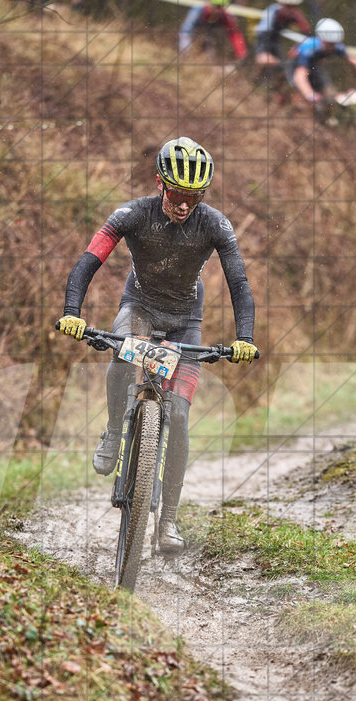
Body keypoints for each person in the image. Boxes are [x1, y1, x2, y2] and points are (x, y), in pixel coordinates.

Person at [57, 138, 257, 554]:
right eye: (177, 195)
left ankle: (167, 521)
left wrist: (245, 338)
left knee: (180, 419)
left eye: (194, 197)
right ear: (159, 184)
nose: (184, 206)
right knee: (121, 346)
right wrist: (72, 311)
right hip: (140, 306)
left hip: (186, 320)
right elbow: (87, 261)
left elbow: (238, 282)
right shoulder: (131, 215)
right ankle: (114, 431)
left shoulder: (215, 225)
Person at [286, 18, 356, 107]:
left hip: (315, 67)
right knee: (301, 97)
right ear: (322, 40)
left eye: (334, 44)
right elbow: (300, 75)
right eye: (329, 44)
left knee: (330, 94)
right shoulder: (309, 48)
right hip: (295, 68)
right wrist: (310, 94)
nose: (332, 47)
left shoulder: (337, 46)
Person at [178, 0, 248, 62]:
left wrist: (241, 53)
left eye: (220, 7)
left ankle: (208, 63)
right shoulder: (198, 10)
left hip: (208, 34)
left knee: (209, 43)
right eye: (216, 7)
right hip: (197, 29)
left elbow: (235, 34)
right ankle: (185, 55)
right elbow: (185, 31)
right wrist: (185, 52)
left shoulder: (225, 15)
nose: (217, 10)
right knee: (186, 31)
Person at [254, 0, 310, 68]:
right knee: (264, 59)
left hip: (274, 38)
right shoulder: (273, 10)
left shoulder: (296, 13)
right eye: (287, 6)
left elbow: (306, 31)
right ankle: (282, 66)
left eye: (291, 6)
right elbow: (262, 58)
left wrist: (297, 47)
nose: (290, 9)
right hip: (266, 35)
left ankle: (282, 67)